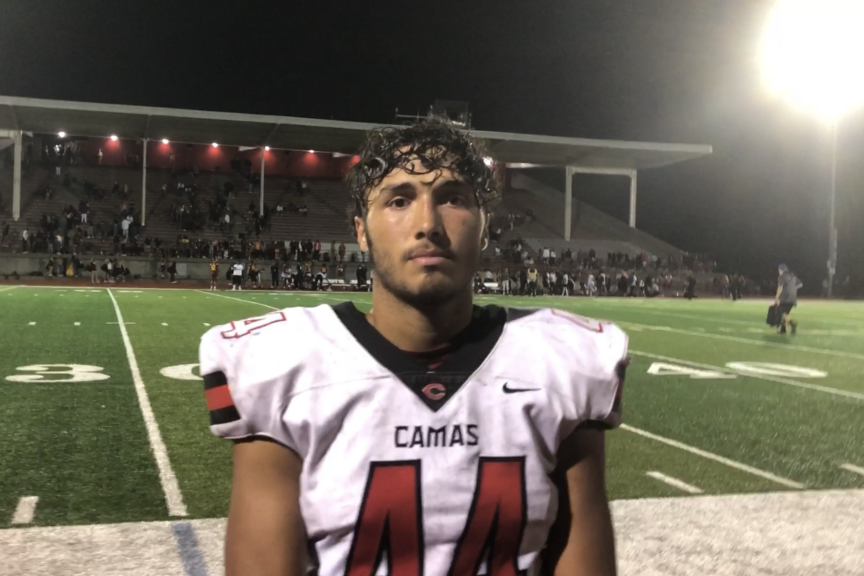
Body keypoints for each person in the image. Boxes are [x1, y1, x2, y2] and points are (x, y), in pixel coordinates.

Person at [199, 118, 626, 576]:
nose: (428, 224)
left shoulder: (561, 362)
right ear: (361, 231)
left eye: (454, 198)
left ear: (484, 228)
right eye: (399, 200)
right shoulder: (281, 366)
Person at [774, 264, 802, 334]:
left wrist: (776, 297)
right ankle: (783, 329)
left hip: (785, 298)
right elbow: (800, 284)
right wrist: (792, 288)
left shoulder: (781, 277)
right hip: (793, 298)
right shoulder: (793, 276)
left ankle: (792, 324)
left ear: (780, 270)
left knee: (781, 312)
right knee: (785, 313)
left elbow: (780, 288)